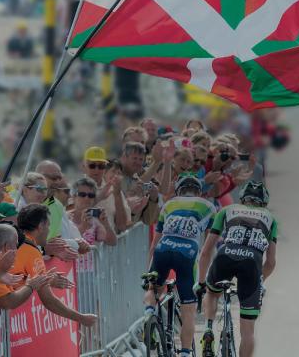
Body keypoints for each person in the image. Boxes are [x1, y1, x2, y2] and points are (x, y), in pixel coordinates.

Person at [197, 181, 278, 357]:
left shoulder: (227, 210)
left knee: (212, 293)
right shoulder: (270, 218)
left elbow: (205, 252)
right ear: (264, 203)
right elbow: (271, 263)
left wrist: (201, 283)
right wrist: (259, 280)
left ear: (242, 199)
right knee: (248, 332)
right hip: (252, 262)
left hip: (225, 255)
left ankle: (209, 329)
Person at [144, 174, 216, 357]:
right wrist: (205, 278)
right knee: (188, 309)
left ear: (178, 191)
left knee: (154, 287)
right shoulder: (208, 206)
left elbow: (154, 244)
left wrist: (148, 273)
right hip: (188, 253)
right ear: (199, 192)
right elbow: (209, 247)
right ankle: (184, 353)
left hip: (163, 249)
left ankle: (148, 313)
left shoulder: (169, 204)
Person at [11, 204, 97, 326]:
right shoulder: (31, 251)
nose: (48, 231)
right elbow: (48, 300)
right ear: (40, 226)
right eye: (48, 226)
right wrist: (81, 318)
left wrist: (45, 279)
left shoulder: (13, 241)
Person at [83, 147, 129, 233]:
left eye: (101, 166)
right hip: (86, 245)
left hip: (109, 244)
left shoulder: (114, 188)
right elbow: (72, 215)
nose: (97, 170)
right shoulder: (76, 189)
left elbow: (122, 226)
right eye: (92, 166)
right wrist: (98, 198)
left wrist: (117, 195)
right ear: (84, 167)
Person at [68, 178, 117, 246]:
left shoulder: (95, 220)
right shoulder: (65, 218)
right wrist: (83, 227)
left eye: (91, 195)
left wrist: (106, 224)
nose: (87, 198)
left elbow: (112, 242)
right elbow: (65, 243)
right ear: (73, 197)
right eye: (82, 194)